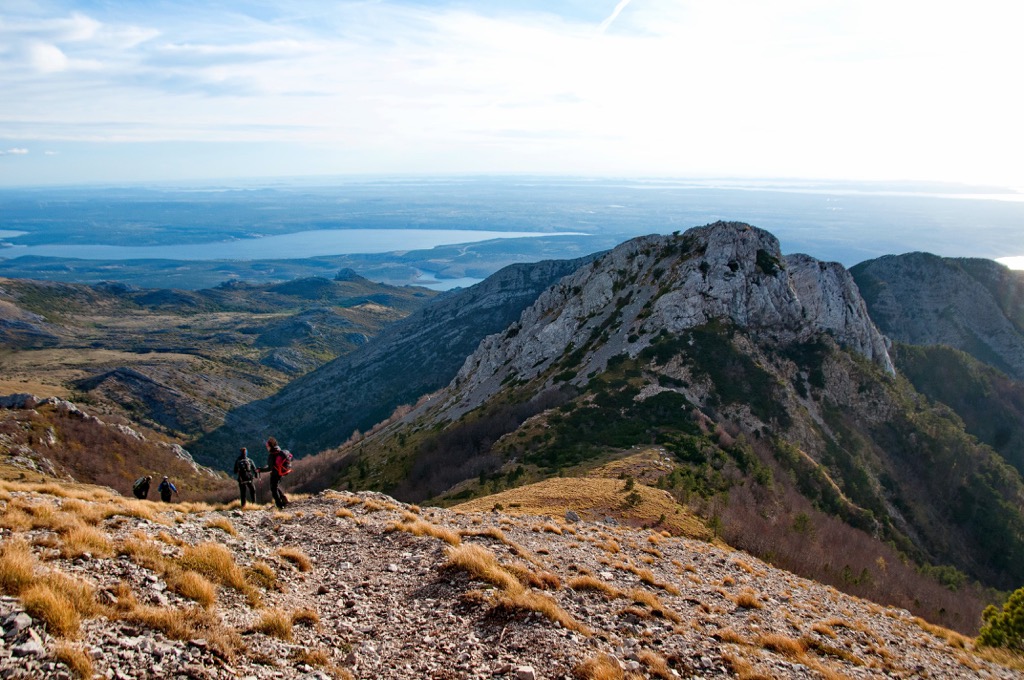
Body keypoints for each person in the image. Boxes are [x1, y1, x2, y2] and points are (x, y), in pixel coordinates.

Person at [259, 437, 289, 509]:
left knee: (273, 489)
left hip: (275, 474)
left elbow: (269, 468)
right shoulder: (279, 451)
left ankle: (279, 505)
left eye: (267, 446)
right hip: (281, 472)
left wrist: (260, 470)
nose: (267, 448)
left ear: (270, 446)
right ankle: (284, 500)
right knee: (276, 487)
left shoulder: (272, 455)